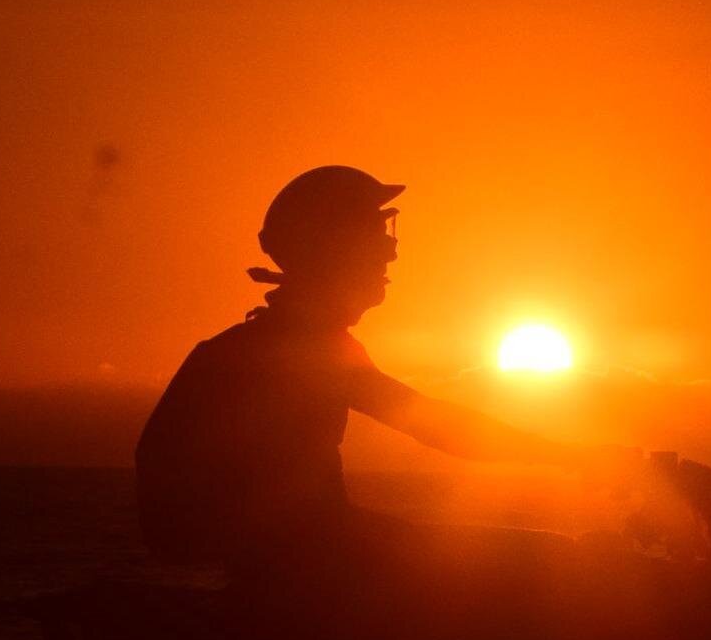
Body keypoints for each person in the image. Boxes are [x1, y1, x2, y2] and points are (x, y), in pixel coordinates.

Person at [135, 166, 634, 574]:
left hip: (296, 553)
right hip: (303, 563)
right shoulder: (303, 348)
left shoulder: (269, 342)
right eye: (376, 234)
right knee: (554, 564)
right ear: (334, 249)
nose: (390, 251)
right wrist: (581, 458)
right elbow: (433, 423)